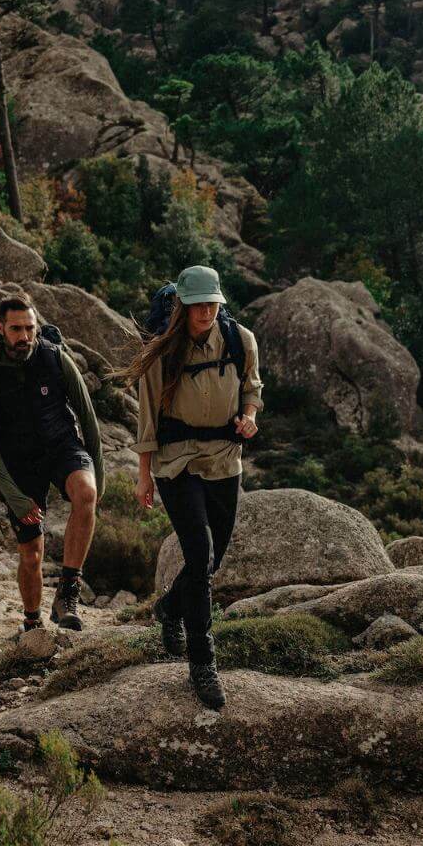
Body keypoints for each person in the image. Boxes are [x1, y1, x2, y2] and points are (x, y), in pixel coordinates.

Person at [118, 265, 262, 709]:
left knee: (212, 557)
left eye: (211, 303)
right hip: (175, 463)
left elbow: (252, 387)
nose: (204, 311)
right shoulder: (162, 352)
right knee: (199, 555)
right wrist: (143, 475)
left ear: (220, 302)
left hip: (224, 460)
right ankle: (202, 660)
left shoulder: (241, 340)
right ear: (181, 305)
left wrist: (250, 415)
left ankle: (168, 608)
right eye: (197, 304)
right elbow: (147, 421)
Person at [0, 294, 103, 633]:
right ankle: (32, 624)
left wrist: (97, 478)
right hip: (19, 462)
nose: (24, 336)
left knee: (85, 493)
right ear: (1, 329)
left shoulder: (55, 359)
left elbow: (88, 419)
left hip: (62, 444)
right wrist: (15, 496)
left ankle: (67, 594)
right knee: (31, 553)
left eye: (30, 328)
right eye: (16, 329)